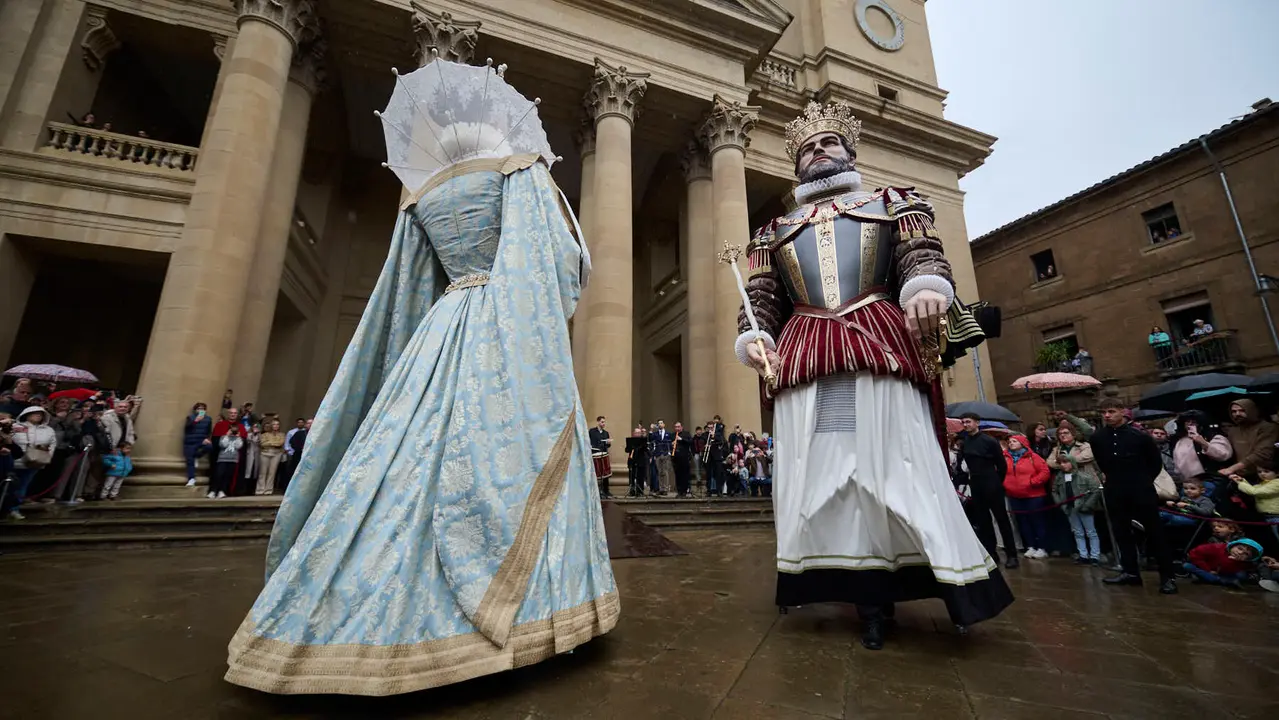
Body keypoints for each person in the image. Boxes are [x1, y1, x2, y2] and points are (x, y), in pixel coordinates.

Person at [226, 60, 616, 695]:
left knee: (400, 460)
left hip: (439, 328)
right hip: (501, 321)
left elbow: (404, 288)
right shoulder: (519, 170)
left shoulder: (420, 196)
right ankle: (518, 615)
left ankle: (327, 612)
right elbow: (552, 263)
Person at [734, 101, 1012, 650]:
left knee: (898, 466)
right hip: (809, 354)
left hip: (877, 339)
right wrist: (755, 335)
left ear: (849, 151)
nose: (818, 152)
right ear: (796, 164)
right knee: (825, 476)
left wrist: (926, 287)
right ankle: (864, 596)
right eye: (807, 148)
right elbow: (762, 296)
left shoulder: (894, 203)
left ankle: (948, 580)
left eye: (828, 143)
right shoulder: (773, 231)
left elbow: (921, 255)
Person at [1090, 398, 1177, 594]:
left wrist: (1142, 481)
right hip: (1115, 489)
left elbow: (1154, 463)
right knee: (1121, 532)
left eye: (1111, 411)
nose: (1107, 416)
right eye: (1103, 412)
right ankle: (1130, 572)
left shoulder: (1140, 437)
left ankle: (1167, 577)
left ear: (1123, 411)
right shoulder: (1098, 438)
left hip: (1141, 489)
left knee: (1155, 532)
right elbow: (1102, 462)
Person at [958, 414, 1019, 570]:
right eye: (963, 422)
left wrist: (996, 481)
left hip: (991, 481)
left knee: (1002, 519)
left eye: (968, 422)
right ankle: (991, 553)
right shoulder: (965, 443)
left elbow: (1001, 465)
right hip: (975, 483)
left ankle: (1012, 555)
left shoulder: (989, 441)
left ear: (977, 423)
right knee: (983, 521)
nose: (966, 425)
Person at [1047, 425, 1103, 564]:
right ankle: (1083, 554)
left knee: (1091, 531)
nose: (1063, 435)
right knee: (1077, 531)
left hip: (1083, 504)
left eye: (1066, 433)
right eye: (1060, 433)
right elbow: (1054, 489)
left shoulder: (1084, 473)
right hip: (1069, 506)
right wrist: (1061, 503)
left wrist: (1088, 505)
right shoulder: (1060, 476)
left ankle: (1095, 555)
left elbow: (1094, 490)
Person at [1003, 434, 1052, 559]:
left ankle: (1042, 547)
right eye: (1010, 441)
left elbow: (1044, 471)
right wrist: (1005, 484)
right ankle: (1030, 546)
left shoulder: (1033, 457)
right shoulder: (1005, 457)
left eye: (1014, 441)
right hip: (1014, 494)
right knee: (1022, 522)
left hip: (1034, 494)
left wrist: (1033, 482)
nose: (1011, 443)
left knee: (1037, 521)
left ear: (1022, 443)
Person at [5, 407, 56, 520]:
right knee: (8, 485)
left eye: (40, 414)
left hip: (35, 462)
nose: (38, 416)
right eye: (35, 413)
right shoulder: (15, 427)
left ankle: (14, 509)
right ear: (27, 414)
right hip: (14, 460)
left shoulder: (48, 430)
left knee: (22, 486)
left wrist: (47, 457)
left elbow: (52, 445)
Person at [1220, 399, 1277, 480]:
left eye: (1242, 410)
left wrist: (1232, 468)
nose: (1237, 414)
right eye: (1234, 411)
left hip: (1263, 475)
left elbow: (1263, 453)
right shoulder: (1233, 430)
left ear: (1251, 410)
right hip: (1239, 475)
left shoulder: (1267, 427)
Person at [1170, 410, 1232, 481]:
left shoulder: (1213, 437)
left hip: (1209, 480)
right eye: (1187, 421)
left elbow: (1223, 455)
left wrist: (1204, 443)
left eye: (1194, 422)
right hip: (1187, 481)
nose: (1190, 424)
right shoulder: (1179, 440)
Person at [1183, 538, 1263, 588]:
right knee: (1187, 566)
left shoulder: (1244, 562)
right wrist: (1207, 569)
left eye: (1246, 554)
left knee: (1241, 575)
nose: (1240, 553)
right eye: (1239, 548)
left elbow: (1234, 569)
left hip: (1223, 573)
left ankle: (1213, 579)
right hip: (1206, 568)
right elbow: (1195, 554)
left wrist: (1234, 561)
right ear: (1233, 545)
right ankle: (1220, 580)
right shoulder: (1216, 548)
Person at [183, 403, 214, 487]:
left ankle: (196, 456)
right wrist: (195, 421)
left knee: (209, 447)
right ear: (195, 410)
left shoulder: (208, 419)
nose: (201, 410)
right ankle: (191, 479)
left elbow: (209, 431)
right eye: (199, 409)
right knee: (190, 461)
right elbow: (187, 428)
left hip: (201, 441)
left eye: (203, 409)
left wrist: (207, 439)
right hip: (190, 441)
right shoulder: (190, 417)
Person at [210, 426, 241, 499]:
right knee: (218, 475)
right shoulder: (223, 437)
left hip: (233, 460)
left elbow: (239, 446)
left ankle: (222, 491)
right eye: (231, 430)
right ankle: (213, 491)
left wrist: (238, 437)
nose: (233, 432)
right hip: (222, 459)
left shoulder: (238, 439)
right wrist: (227, 435)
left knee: (227, 476)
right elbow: (223, 445)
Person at [257, 419, 285, 496]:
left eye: (277, 424)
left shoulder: (282, 434)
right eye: (274, 424)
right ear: (271, 426)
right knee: (263, 472)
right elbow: (262, 443)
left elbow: (280, 443)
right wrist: (273, 443)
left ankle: (268, 490)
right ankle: (260, 489)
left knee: (272, 473)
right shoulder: (265, 434)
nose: (275, 426)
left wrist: (269, 443)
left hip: (276, 454)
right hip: (265, 453)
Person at [589, 415, 613, 499]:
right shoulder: (592, 431)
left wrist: (608, 443)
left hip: (603, 454)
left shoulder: (606, 433)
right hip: (595, 454)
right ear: (598, 422)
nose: (603, 423)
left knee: (605, 473)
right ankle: (595, 491)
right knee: (596, 473)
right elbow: (588, 441)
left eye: (604, 422)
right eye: (602, 422)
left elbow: (608, 445)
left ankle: (606, 490)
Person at [672, 421, 693, 498]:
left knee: (685, 475)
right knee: (678, 475)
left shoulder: (686, 434)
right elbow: (669, 444)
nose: (677, 428)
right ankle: (679, 491)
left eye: (678, 427)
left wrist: (681, 439)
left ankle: (684, 491)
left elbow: (690, 442)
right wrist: (672, 444)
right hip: (676, 458)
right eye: (676, 427)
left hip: (684, 457)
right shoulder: (673, 435)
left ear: (681, 427)